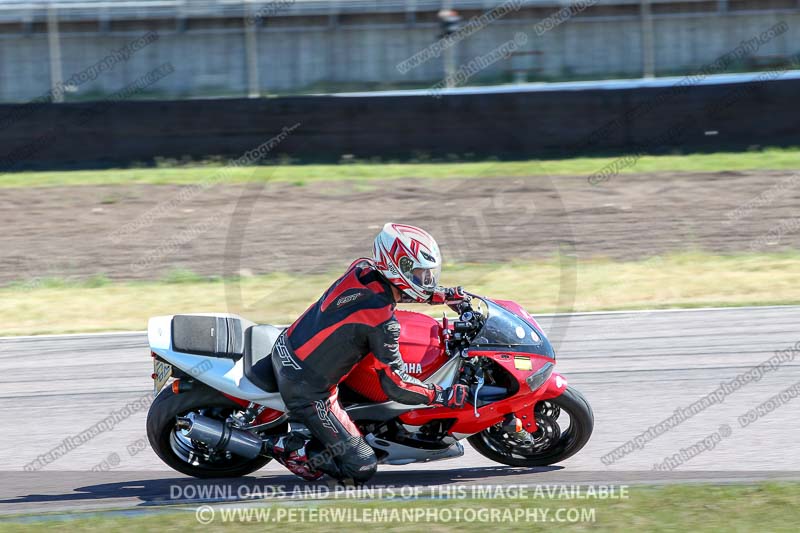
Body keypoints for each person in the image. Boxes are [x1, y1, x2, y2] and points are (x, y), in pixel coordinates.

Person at [256, 223, 468, 483]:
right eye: (420, 274)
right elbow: (396, 386)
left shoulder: (363, 268)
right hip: (309, 389)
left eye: (429, 275)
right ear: (395, 267)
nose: (426, 281)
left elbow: (394, 292)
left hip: (288, 345)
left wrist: (441, 295)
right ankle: (286, 447)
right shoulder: (382, 323)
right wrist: (441, 395)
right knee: (362, 467)